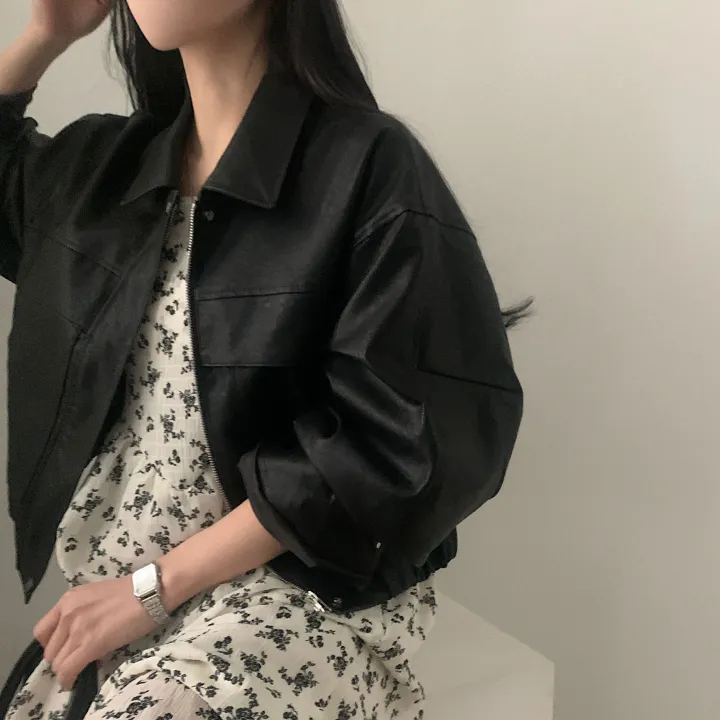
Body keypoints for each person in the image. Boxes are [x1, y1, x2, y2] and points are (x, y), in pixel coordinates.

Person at [0, 0, 526, 718]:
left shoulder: (366, 165)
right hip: (116, 599)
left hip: (300, 596)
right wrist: (44, 35)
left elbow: (400, 442)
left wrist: (155, 589)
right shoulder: (102, 171)